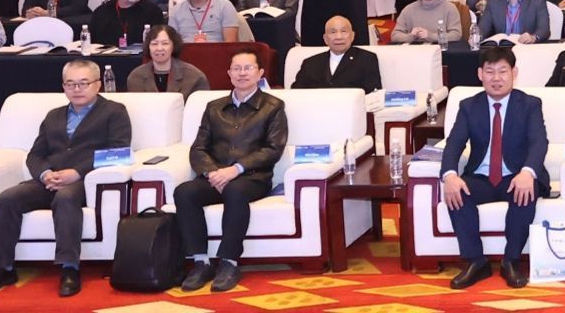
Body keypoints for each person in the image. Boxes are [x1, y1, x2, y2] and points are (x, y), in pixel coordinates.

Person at [0, 60, 131, 298]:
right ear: (63, 87)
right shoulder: (54, 116)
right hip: (49, 179)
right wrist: (45, 173)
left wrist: (76, 172)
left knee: (65, 198)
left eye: (83, 83)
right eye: (70, 84)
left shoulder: (114, 111)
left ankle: (69, 268)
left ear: (98, 84)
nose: (76, 89)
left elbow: (120, 151)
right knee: (7, 198)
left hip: (84, 180)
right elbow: (35, 155)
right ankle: (0, 268)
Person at [174, 50, 288, 293]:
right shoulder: (214, 107)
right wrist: (212, 172)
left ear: (260, 73)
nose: (242, 73)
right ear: (229, 73)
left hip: (253, 178)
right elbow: (198, 148)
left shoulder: (273, 106)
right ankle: (201, 262)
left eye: (248, 68)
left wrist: (235, 169)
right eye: (237, 68)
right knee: (184, 192)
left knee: (235, 191)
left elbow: (272, 149)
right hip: (216, 177)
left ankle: (229, 262)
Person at [441, 44, 549, 290]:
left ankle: (511, 261)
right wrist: (449, 175)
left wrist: (527, 172)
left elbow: (539, 142)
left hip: (515, 175)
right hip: (481, 177)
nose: (496, 78)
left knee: (526, 190)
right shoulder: (469, 106)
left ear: (514, 73)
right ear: (480, 74)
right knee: (457, 191)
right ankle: (476, 262)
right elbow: (454, 143)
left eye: (503, 71)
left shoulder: (530, 104)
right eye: (490, 72)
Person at [293, 15, 383, 91]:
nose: (338, 37)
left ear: (352, 36)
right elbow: (295, 93)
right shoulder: (310, 63)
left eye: (343, 31)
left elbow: (374, 94)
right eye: (333, 32)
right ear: (325, 39)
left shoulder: (367, 59)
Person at [126, 25, 207, 95]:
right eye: (154, 44)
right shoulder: (136, 77)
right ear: (148, 47)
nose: (159, 48)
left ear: (173, 46)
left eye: (165, 43)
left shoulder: (194, 76)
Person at [392, 0, 468, 44]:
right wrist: (411, 36)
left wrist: (431, 36)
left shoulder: (449, 8)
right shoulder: (408, 10)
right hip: (415, 51)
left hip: (442, 51)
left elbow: (456, 35)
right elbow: (395, 36)